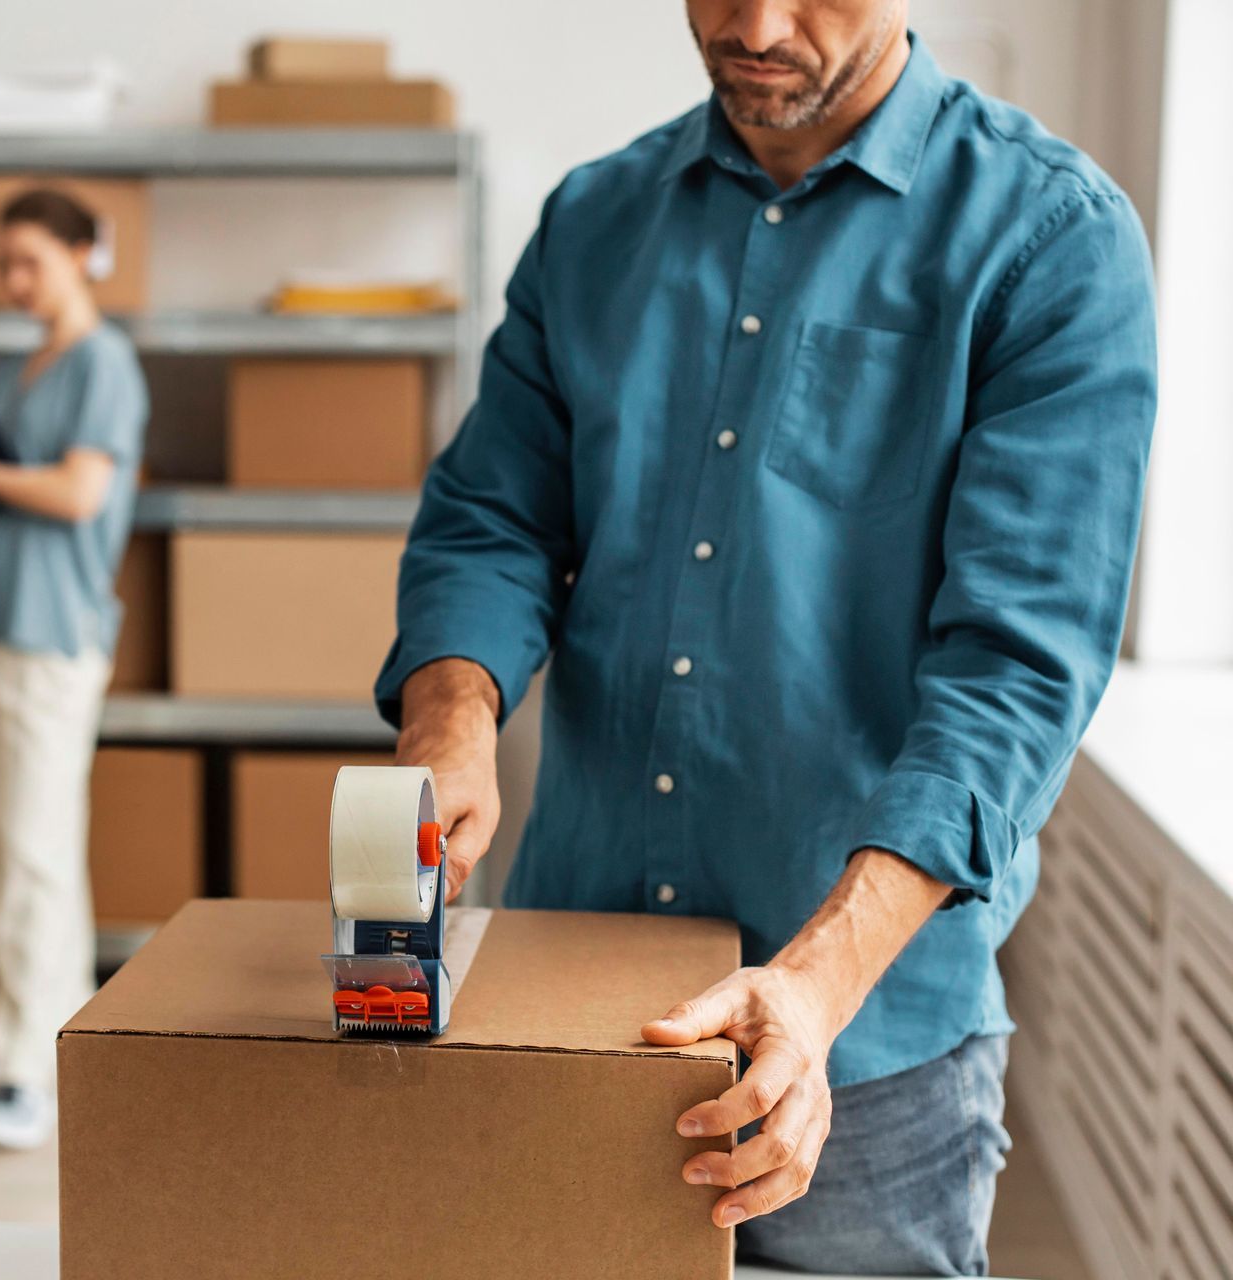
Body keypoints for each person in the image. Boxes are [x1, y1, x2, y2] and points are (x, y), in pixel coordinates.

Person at [377, 3, 1156, 1275]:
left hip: (868, 1057)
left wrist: (814, 982)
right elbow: (493, 517)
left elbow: (1015, 665)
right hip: (578, 1006)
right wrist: (451, 719)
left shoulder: (1051, 240)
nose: (754, 24)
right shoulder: (593, 223)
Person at [0, 189, 148, 1151]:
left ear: (84, 256)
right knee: (6, 849)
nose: (12, 282)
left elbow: (78, 493)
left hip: (53, 634)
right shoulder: (15, 366)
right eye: (2, 263)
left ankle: (34, 1077)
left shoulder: (104, 365)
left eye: (30, 263)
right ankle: (24, 1029)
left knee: (37, 855)